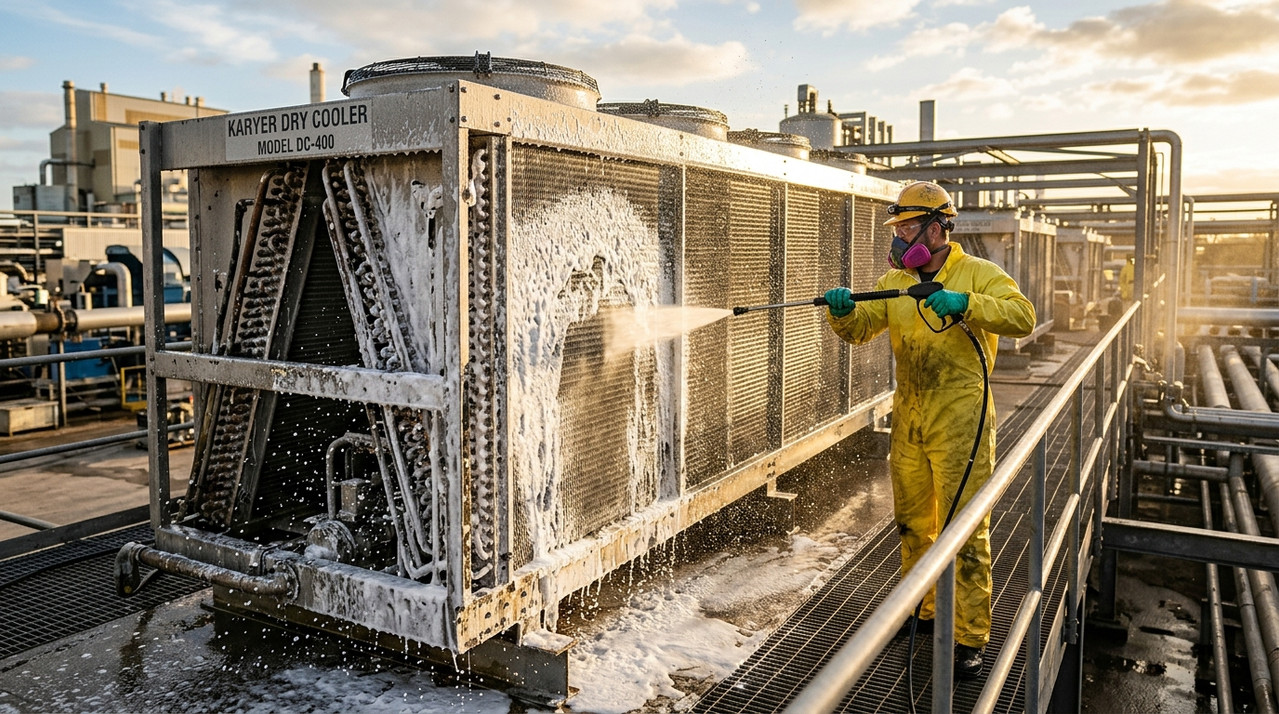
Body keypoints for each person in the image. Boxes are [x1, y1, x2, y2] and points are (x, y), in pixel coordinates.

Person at [823, 181, 1035, 679]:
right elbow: (860, 329)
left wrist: (966, 303)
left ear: (939, 227)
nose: (898, 239)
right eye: (896, 229)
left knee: (965, 532)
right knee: (914, 524)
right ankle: (921, 609)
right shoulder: (897, 283)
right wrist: (842, 311)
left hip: (962, 419)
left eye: (908, 227)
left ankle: (968, 637)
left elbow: (1022, 316)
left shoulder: (979, 274)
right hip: (911, 419)